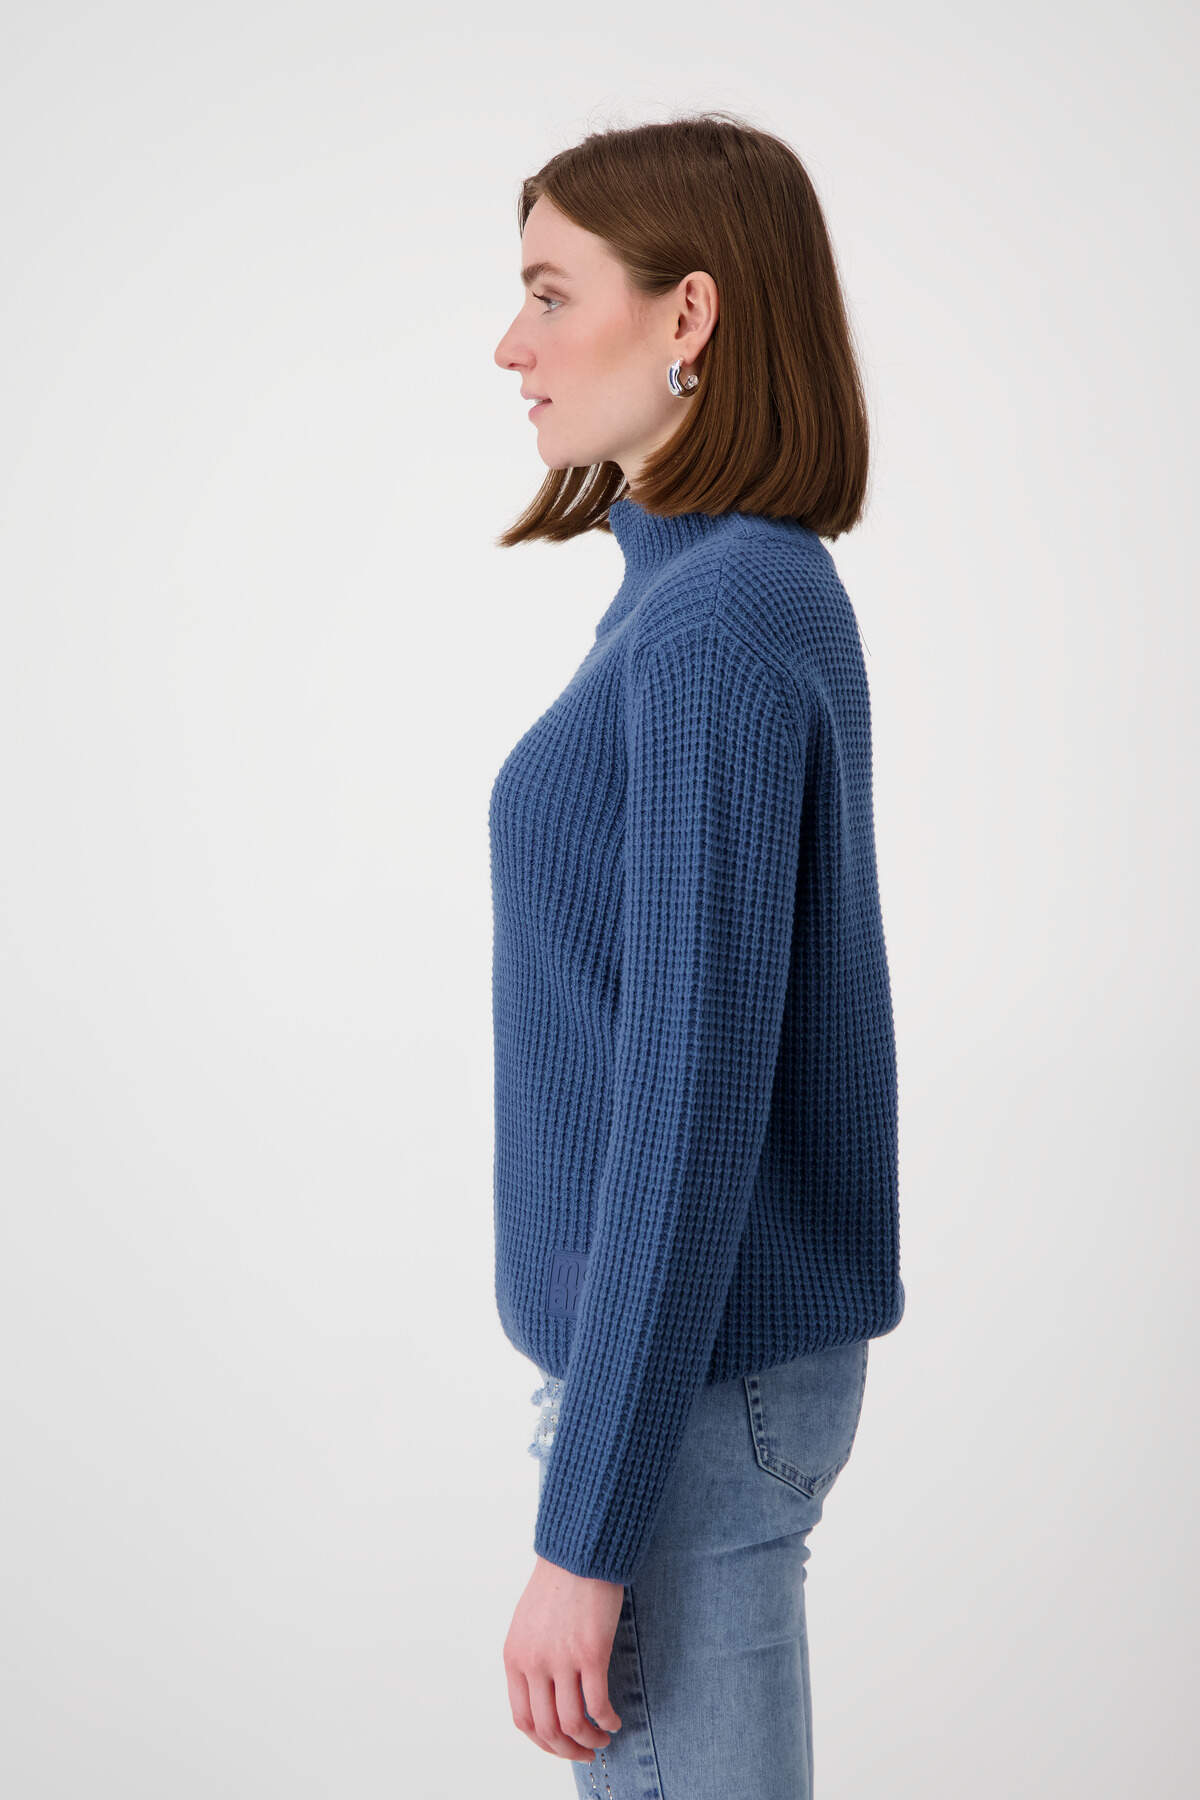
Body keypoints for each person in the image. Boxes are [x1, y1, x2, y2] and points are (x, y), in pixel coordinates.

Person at [489, 112, 906, 1798]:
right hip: (691, 1378)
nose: (510, 344)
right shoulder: (701, 599)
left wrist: (584, 1531)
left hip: (683, 1393)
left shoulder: (721, 621)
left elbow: (690, 1098)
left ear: (689, 315)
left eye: (549, 292)